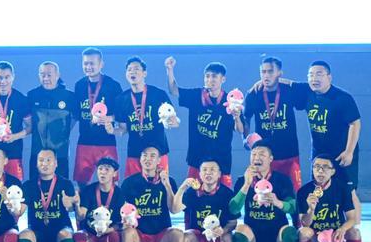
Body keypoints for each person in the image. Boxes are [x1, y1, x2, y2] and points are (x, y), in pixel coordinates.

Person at [229, 141, 301, 242]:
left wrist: (278, 202)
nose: (257, 157)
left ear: (270, 159)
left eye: (262, 154)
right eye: (254, 154)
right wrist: (246, 185)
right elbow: (233, 209)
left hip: (277, 234)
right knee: (239, 230)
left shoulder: (282, 180)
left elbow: (293, 207)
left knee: (290, 231)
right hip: (253, 236)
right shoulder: (242, 180)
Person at [295, 61, 362, 225]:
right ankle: (319, 228)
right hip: (319, 155)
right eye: (310, 75)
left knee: (349, 191)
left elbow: (355, 123)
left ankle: (353, 232)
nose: (314, 78)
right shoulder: (307, 93)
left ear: (329, 77)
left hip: (342, 154)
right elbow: (286, 83)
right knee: (319, 189)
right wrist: (260, 82)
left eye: (319, 74)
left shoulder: (342, 98)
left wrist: (349, 151)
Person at [165, 57, 243, 187]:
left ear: (223, 79)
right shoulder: (196, 95)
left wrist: (237, 117)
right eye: (207, 76)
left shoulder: (231, 100)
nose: (210, 79)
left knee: (223, 196)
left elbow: (240, 130)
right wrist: (170, 69)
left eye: (214, 76)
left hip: (221, 160)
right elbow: (174, 90)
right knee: (193, 194)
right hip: (197, 159)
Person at [297, 155, 363, 242]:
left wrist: (342, 229)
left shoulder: (342, 188)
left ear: (332, 171)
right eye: (316, 167)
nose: (320, 171)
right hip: (316, 239)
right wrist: (311, 209)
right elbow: (304, 223)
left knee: (355, 232)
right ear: (312, 170)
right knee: (303, 233)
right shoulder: (304, 191)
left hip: (337, 237)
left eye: (325, 167)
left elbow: (352, 218)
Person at [120, 146, 183, 242]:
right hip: (139, 234)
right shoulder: (129, 182)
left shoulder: (169, 181)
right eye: (144, 155)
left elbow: (174, 209)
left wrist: (167, 185)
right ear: (140, 159)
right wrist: (126, 219)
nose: (148, 159)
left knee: (178, 234)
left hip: (161, 235)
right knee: (127, 232)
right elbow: (122, 210)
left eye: (152, 156)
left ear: (159, 160)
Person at [172, 159, 238, 242]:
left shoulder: (227, 194)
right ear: (200, 174)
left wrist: (223, 230)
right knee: (185, 237)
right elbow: (174, 209)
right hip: (198, 237)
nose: (208, 173)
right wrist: (183, 187)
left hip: (219, 236)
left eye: (212, 170)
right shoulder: (191, 193)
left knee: (229, 238)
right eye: (205, 170)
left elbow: (233, 222)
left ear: (219, 174)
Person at [17, 149, 78, 242]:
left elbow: (71, 208)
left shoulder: (65, 184)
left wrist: (69, 204)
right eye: (41, 160)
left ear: (56, 163)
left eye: (48, 160)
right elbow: (19, 211)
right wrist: (12, 206)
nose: (44, 164)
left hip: (59, 231)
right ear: (36, 164)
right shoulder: (28, 185)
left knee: (66, 234)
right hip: (38, 233)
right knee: (24, 234)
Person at [108, 56, 177, 177]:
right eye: (129, 70)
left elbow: (173, 120)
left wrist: (173, 122)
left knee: (160, 185)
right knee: (133, 186)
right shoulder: (121, 99)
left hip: (158, 152)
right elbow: (123, 129)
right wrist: (112, 130)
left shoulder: (158, 94)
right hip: (135, 152)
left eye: (136, 69)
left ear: (144, 73)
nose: (132, 72)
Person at [243, 57, 305, 191]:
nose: (266, 75)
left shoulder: (289, 90)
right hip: (265, 157)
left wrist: (286, 81)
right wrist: (246, 138)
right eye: (263, 72)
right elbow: (245, 118)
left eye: (270, 71)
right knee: (264, 193)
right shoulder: (253, 94)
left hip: (290, 154)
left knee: (295, 193)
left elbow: (308, 89)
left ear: (279, 73)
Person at [73, 48, 123, 189]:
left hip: (106, 141)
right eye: (85, 63)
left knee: (111, 183)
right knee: (81, 183)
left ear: (101, 64)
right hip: (84, 141)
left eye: (92, 63)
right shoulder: (79, 85)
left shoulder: (113, 86)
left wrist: (109, 118)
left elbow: (121, 115)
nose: (88, 67)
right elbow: (76, 114)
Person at [73, 157, 125, 242]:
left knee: (116, 236)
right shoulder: (88, 190)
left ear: (114, 173)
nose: (103, 172)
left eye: (107, 169)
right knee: (78, 236)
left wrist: (108, 230)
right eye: (100, 169)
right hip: (90, 237)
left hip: (107, 237)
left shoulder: (119, 194)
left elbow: (121, 223)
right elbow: (81, 216)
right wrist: (77, 205)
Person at [27, 62, 79, 180]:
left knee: (61, 186)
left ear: (57, 75)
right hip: (37, 152)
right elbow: (27, 120)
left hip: (60, 153)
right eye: (42, 75)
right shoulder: (32, 95)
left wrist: (63, 131)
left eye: (49, 75)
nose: (46, 78)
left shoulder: (69, 97)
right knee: (34, 186)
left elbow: (76, 117)